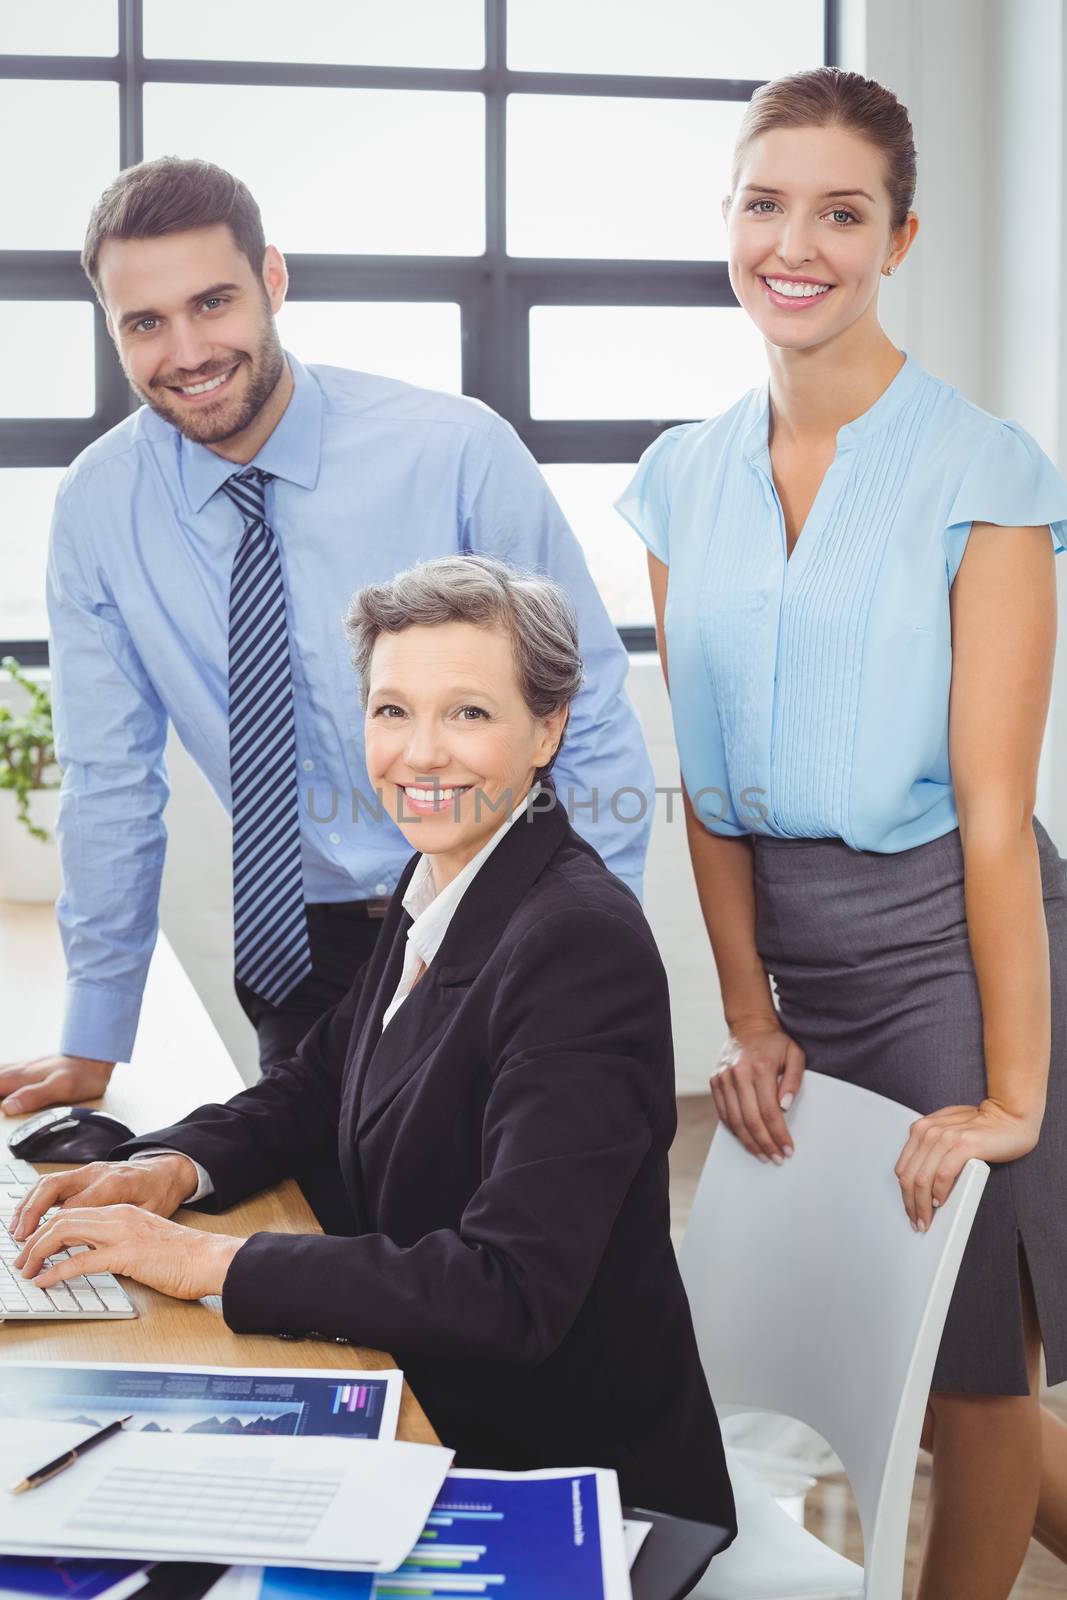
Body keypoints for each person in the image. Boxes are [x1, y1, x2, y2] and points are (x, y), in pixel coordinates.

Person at [10, 555, 736, 1537]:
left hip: (558, 1480)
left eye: (467, 713)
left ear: (547, 729)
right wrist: (170, 1170)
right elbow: (319, 1083)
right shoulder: (443, 873)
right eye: (392, 710)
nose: (420, 753)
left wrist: (208, 1265)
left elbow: (509, 1292)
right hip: (435, 1400)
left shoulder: (576, 946)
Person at [615, 65, 1067, 1600]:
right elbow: (712, 792)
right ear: (727, 220)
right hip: (798, 956)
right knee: (859, 1334)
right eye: (762, 202)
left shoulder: (981, 473)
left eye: (838, 210)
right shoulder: (680, 481)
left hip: (954, 942)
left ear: (897, 236)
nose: (791, 242)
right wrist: (744, 1012)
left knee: (968, 1382)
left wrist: (1011, 1095)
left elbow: (995, 822)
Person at [0, 156, 653, 1154]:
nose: (185, 350)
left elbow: (591, 712)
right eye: (144, 323)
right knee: (328, 1250)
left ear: (272, 280)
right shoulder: (99, 508)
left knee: (516, 1245)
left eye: (211, 302)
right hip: (295, 945)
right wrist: (95, 1035)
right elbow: (111, 783)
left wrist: (583, 960)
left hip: (493, 913)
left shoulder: (452, 452)